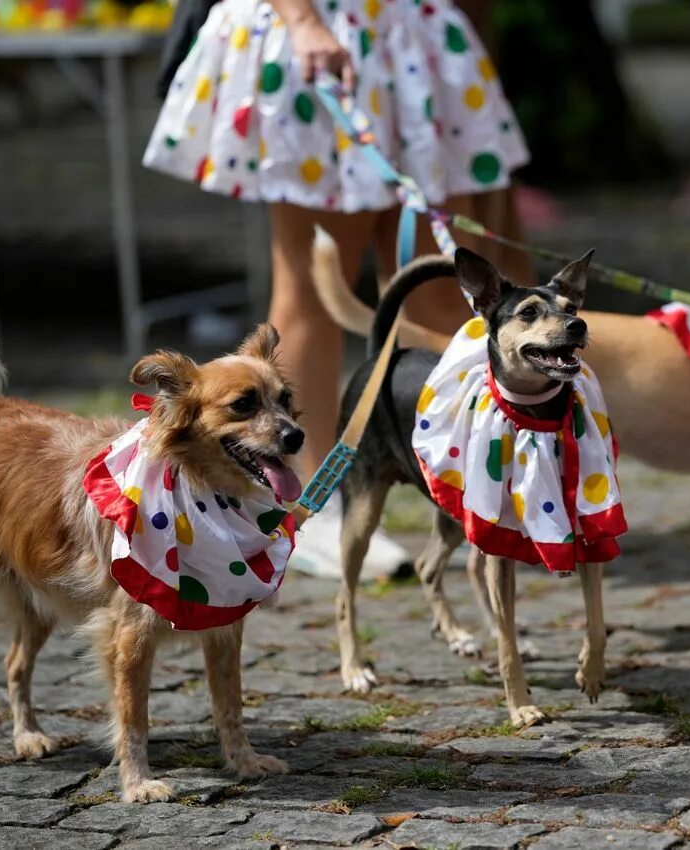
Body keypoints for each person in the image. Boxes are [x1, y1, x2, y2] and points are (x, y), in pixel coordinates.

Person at [144, 0, 531, 577]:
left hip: (411, 38)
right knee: (313, 292)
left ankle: (478, 484)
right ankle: (308, 504)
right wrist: (302, 22)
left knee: (442, 290)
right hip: (321, 37)